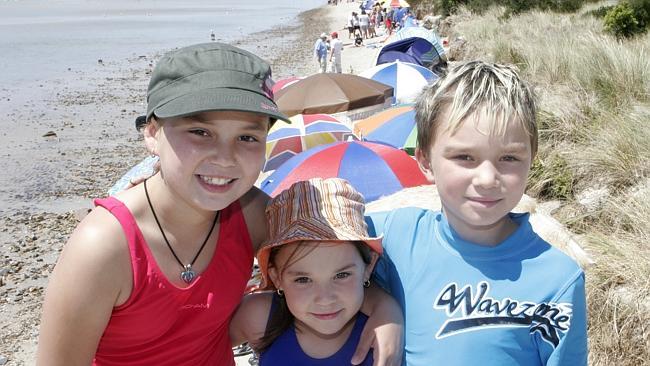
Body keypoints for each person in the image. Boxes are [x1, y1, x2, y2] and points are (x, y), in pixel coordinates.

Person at [36, 42, 403, 366]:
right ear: (152, 133)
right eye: (200, 132)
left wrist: (383, 308)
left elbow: (331, 263)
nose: (225, 158)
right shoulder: (104, 247)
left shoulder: (255, 214)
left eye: (247, 136)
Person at [365, 61, 588, 365]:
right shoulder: (393, 236)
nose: (487, 179)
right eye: (465, 157)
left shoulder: (558, 278)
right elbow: (315, 265)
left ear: (531, 159)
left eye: (508, 157)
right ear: (426, 161)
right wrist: (380, 303)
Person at [230, 178, 389, 365]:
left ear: (368, 267)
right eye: (303, 279)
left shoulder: (385, 332)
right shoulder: (258, 316)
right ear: (276, 277)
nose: (325, 299)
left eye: (341, 275)